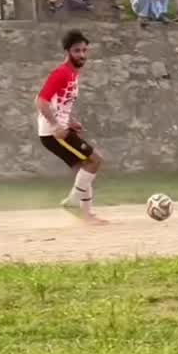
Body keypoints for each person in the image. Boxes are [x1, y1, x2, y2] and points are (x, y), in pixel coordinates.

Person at [36, 29, 106, 224]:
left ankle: (86, 215)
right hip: (54, 134)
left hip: (59, 129)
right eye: (77, 50)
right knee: (95, 161)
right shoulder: (62, 73)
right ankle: (73, 203)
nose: (82, 55)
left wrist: (69, 121)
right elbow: (41, 101)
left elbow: (59, 103)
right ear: (68, 51)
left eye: (84, 50)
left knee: (83, 168)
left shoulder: (72, 74)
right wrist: (56, 125)